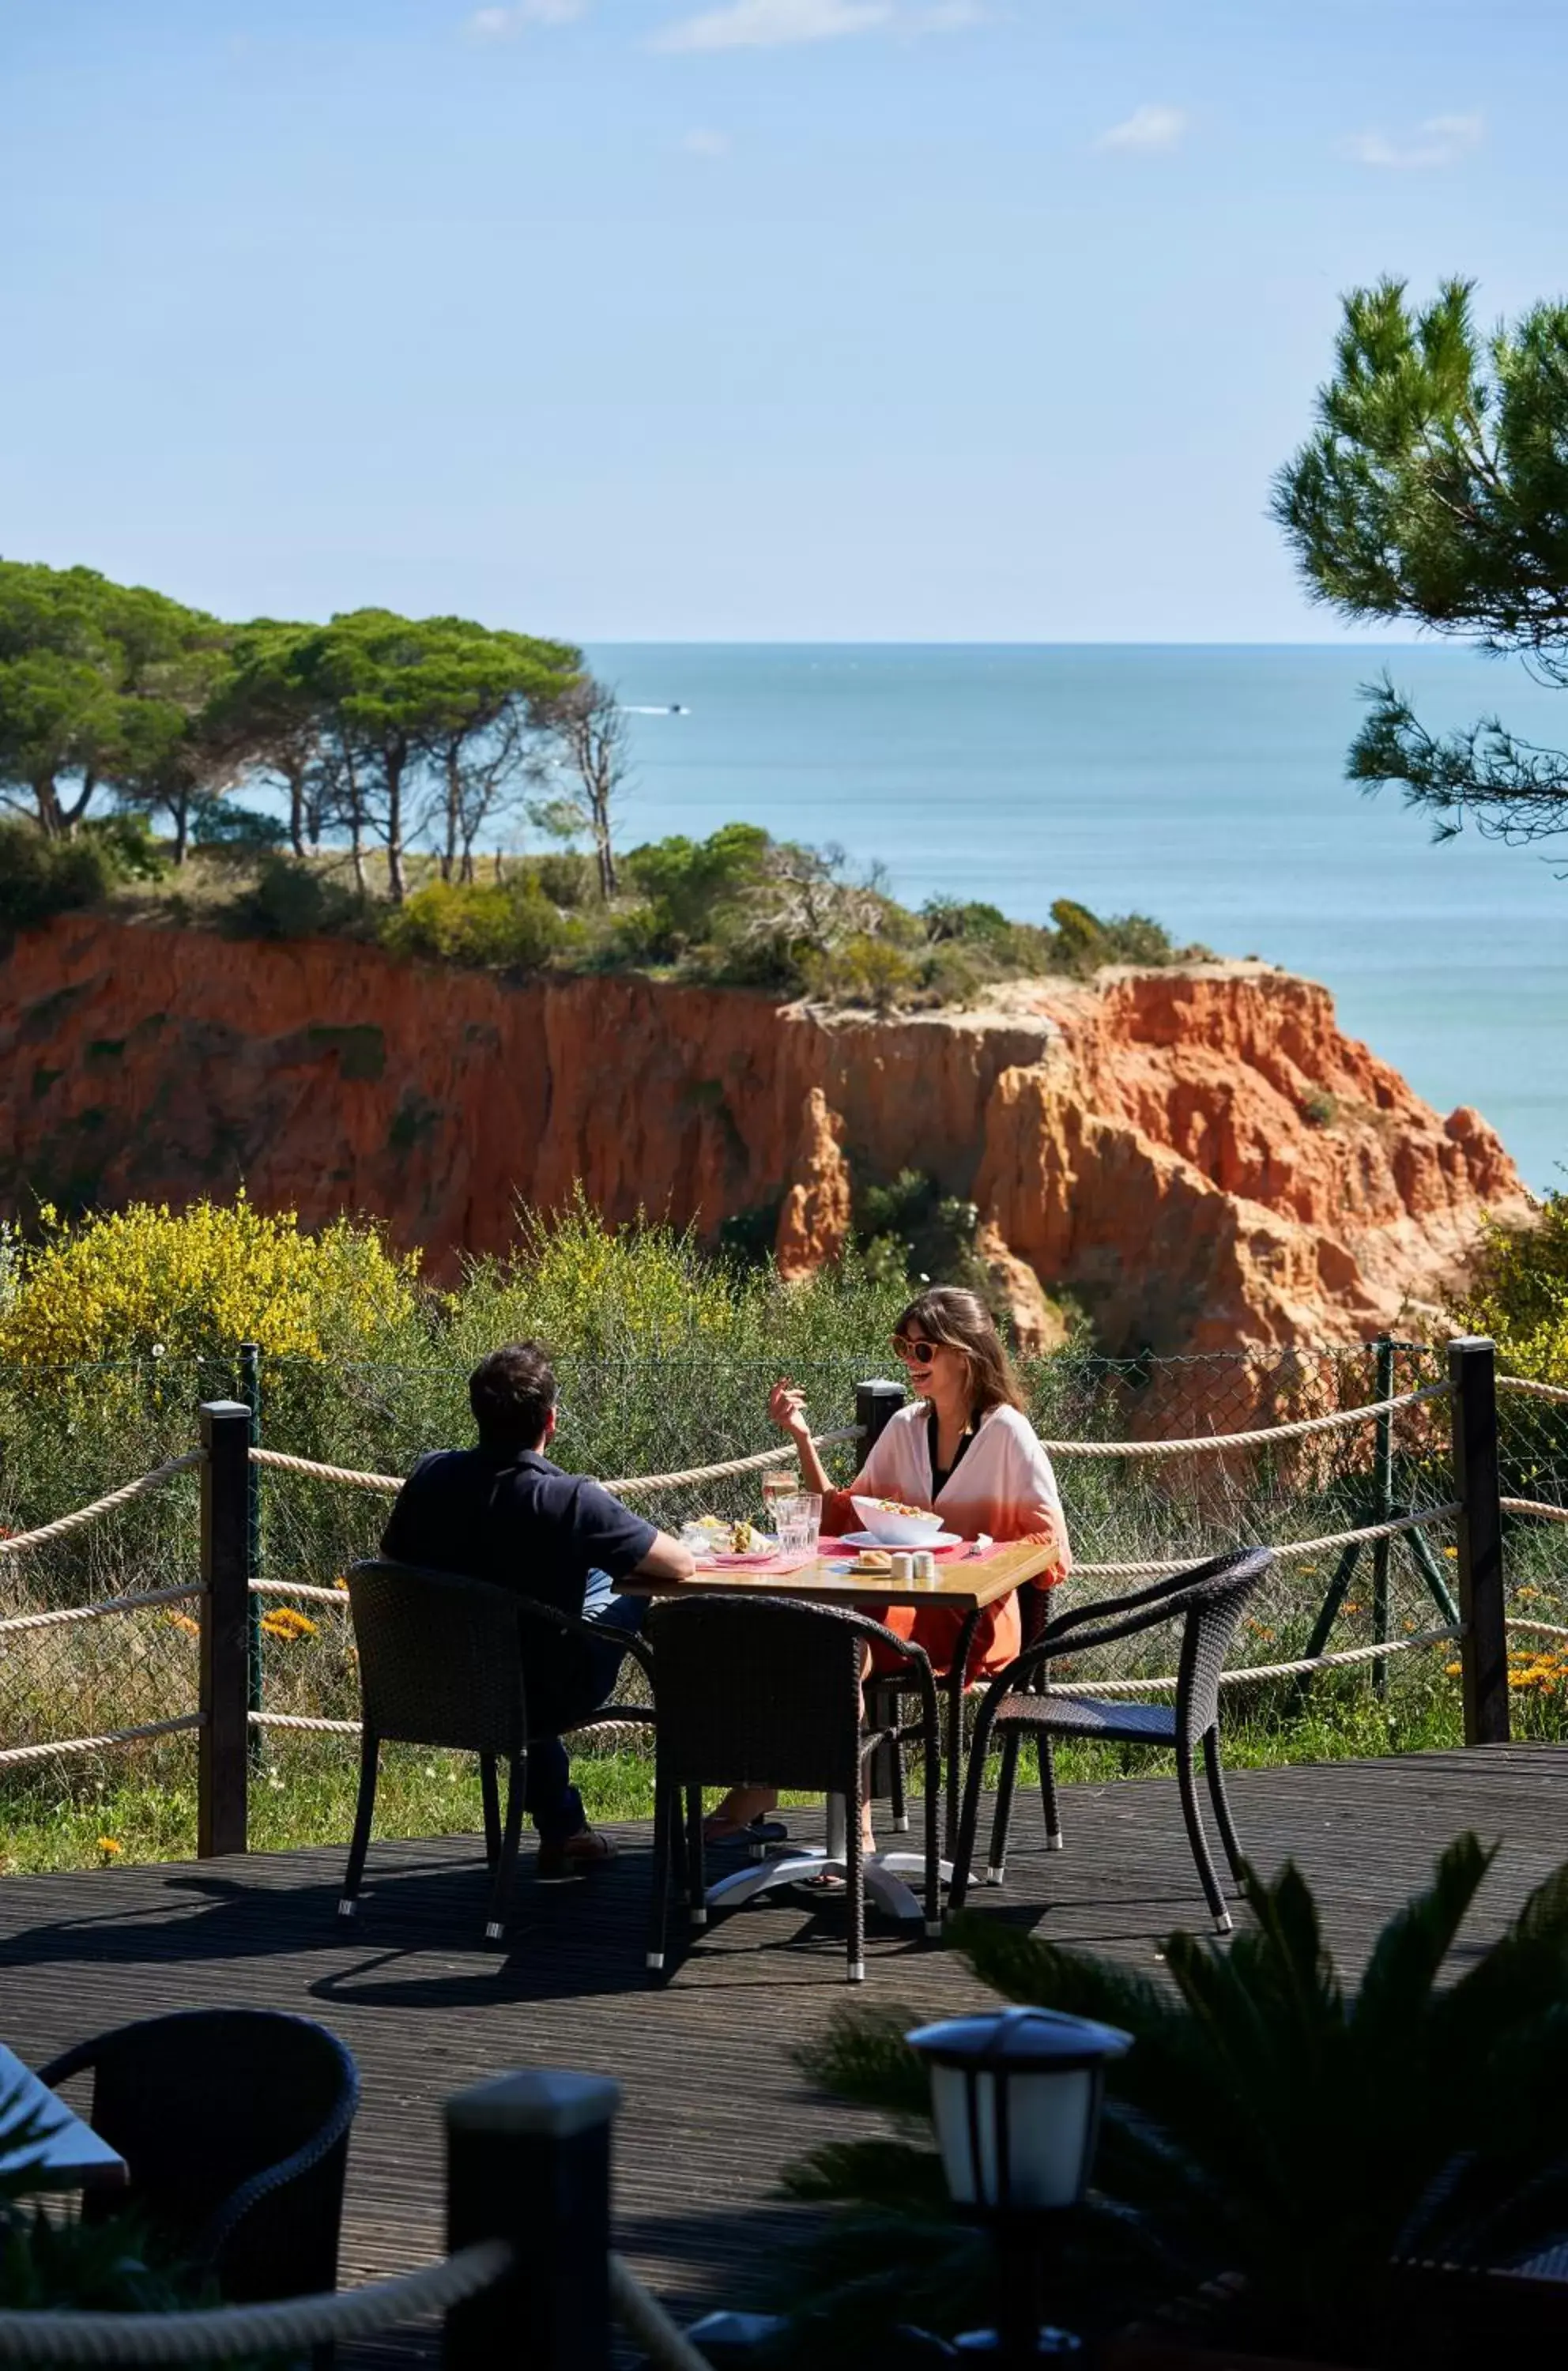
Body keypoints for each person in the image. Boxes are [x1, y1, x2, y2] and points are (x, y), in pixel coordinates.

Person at [708, 1285, 1071, 1846]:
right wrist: (802, 1439)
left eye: (922, 1351)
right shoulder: (905, 1427)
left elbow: (1049, 1546)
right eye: (903, 1347)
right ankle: (798, 1797)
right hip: (897, 1601)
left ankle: (825, 1810)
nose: (908, 1361)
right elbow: (840, 1514)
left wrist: (970, 1556)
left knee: (844, 1635)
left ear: (964, 1353)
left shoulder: (1006, 1433)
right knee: (811, 1630)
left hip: (971, 1618)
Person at [381, 1340, 695, 1878]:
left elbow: (391, 1566)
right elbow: (681, 1565)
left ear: (477, 1410)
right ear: (550, 1419)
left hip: (440, 1686)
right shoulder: (571, 1499)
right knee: (635, 1586)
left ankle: (565, 1828)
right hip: (549, 1692)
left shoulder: (430, 1476)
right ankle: (715, 1765)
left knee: (545, 1612)